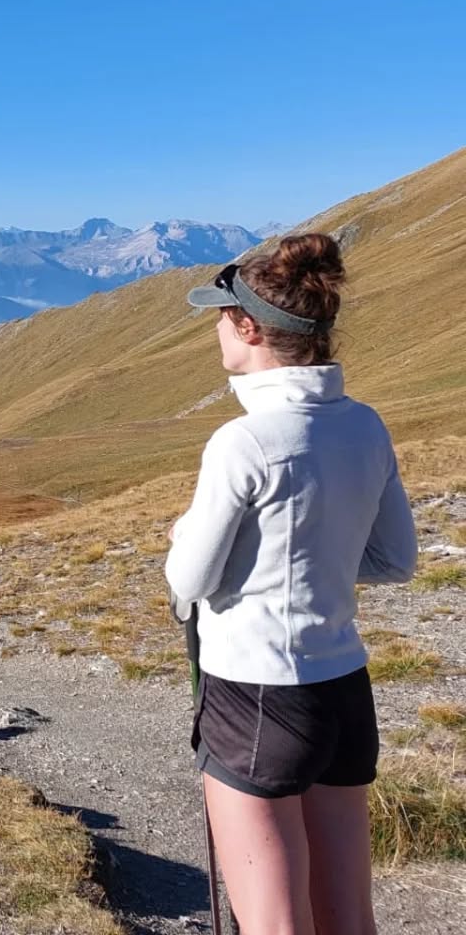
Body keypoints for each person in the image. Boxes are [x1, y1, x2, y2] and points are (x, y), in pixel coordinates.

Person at [164, 233, 417, 935]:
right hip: (344, 688)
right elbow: (396, 560)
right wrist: (314, 561)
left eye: (220, 315)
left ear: (248, 329)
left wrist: (200, 545)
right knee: (348, 915)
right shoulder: (367, 427)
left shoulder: (243, 442)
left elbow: (187, 580)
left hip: (255, 696)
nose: (214, 327)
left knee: (276, 922)